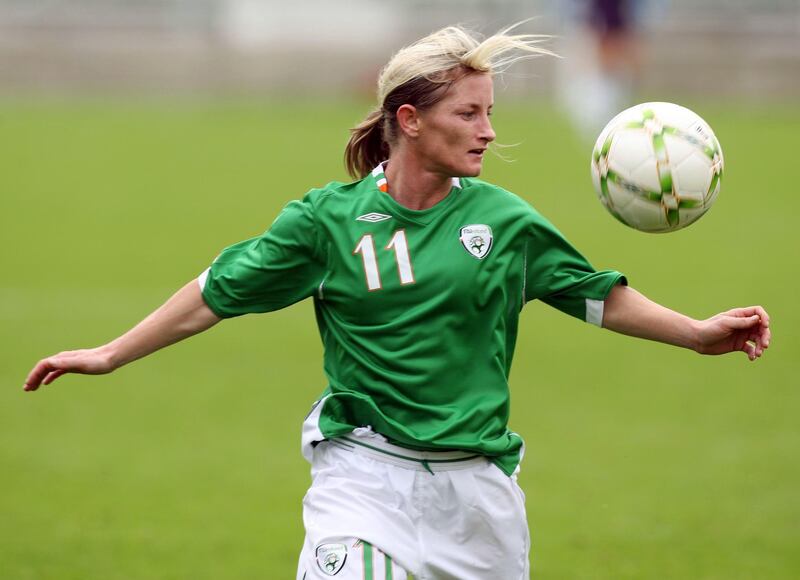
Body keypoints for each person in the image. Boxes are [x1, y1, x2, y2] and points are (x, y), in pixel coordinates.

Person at [23, 24, 770, 580]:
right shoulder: (326, 223)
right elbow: (216, 293)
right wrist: (110, 354)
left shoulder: (504, 222)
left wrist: (696, 333)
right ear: (409, 120)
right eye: (469, 114)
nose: (489, 131)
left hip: (478, 501)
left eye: (489, 112)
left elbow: (595, 296)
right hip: (363, 478)